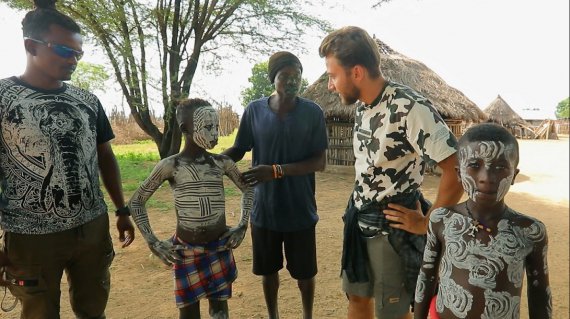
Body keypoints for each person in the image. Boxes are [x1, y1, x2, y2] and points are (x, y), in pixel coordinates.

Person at [0, 0, 135, 318]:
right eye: (64, 50)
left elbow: (105, 155)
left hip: (92, 229)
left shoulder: (87, 100)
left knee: (93, 309)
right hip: (31, 238)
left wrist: (121, 209)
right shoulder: (4, 99)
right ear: (31, 45)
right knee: (39, 312)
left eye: (79, 53)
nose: (73, 59)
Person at [318, 26, 464, 319]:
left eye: (333, 76)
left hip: (391, 231)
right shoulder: (362, 107)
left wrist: (428, 222)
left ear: (356, 72)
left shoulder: (409, 107)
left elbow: (457, 169)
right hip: (359, 222)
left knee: (392, 313)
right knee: (357, 299)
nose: (330, 85)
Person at [223, 51, 328, 319]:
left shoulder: (312, 112)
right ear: (273, 78)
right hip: (265, 210)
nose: (293, 82)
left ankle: (307, 315)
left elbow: (319, 161)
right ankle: (273, 316)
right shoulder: (254, 111)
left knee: (305, 275)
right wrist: (209, 162)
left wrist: (276, 170)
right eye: (286, 76)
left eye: (298, 76)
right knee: (268, 272)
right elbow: (239, 147)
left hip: (300, 209)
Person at [129, 98, 254, 319]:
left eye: (216, 127)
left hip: (219, 247)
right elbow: (137, 201)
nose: (214, 133)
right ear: (185, 128)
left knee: (220, 311)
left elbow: (249, 190)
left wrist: (243, 224)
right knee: (188, 313)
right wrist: (153, 241)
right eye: (207, 127)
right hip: (185, 251)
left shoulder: (222, 163)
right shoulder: (171, 165)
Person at [413, 123, 552, 319]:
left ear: (514, 176)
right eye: (474, 165)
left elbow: (539, 294)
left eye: (501, 167)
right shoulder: (441, 219)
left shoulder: (529, 231)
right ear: (459, 173)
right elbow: (427, 276)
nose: (486, 178)